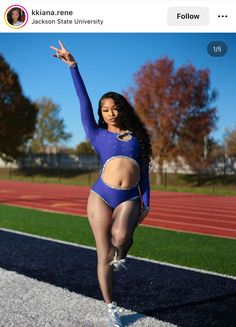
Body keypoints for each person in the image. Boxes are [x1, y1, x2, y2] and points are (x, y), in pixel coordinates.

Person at [50, 40, 152, 327]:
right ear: (101, 113)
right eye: (105, 109)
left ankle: (121, 255)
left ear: (122, 109)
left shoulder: (138, 138)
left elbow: (144, 172)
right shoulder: (96, 134)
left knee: (122, 238)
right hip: (101, 196)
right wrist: (73, 65)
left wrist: (146, 201)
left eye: (115, 107)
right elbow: (83, 100)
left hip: (130, 198)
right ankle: (111, 307)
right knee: (103, 253)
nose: (110, 112)